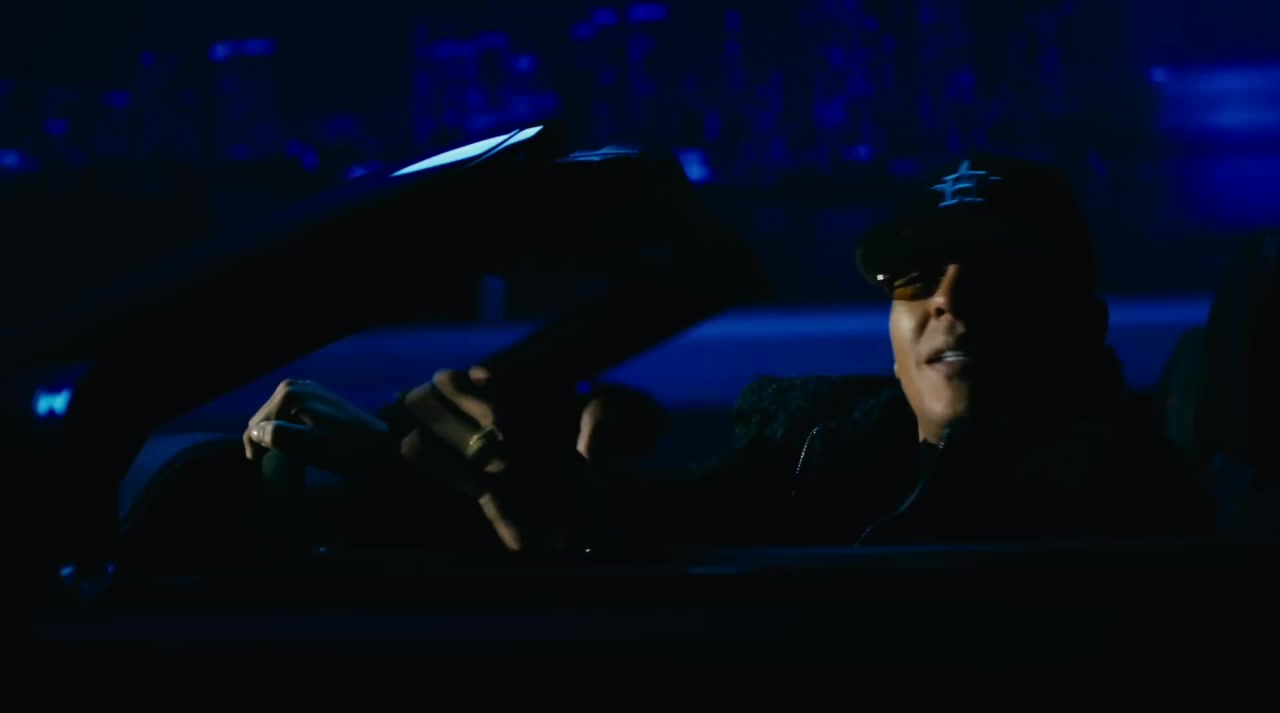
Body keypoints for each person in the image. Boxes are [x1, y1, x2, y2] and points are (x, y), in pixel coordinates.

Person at [245, 155, 1214, 553]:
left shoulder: (1146, 508)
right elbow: (666, 518)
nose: (945, 302)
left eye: (998, 274)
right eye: (911, 278)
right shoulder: (818, 447)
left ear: (1081, 323)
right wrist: (407, 474)